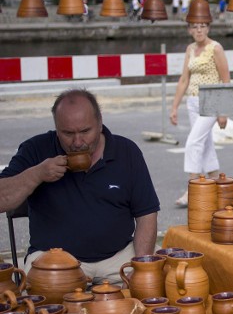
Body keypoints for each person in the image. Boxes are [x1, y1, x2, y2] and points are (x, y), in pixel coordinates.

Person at [0, 89, 160, 285]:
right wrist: (37, 174)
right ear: (56, 128)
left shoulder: (126, 151)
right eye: (67, 133)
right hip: (54, 262)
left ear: (100, 123)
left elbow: (147, 214)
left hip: (118, 257)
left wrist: (140, 265)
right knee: (46, 309)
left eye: (85, 132)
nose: (77, 142)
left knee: (150, 292)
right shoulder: (36, 149)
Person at [170, 21, 231, 207]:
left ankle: (192, 189)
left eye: (203, 26)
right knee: (204, 144)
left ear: (208, 28)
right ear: (189, 30)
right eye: (195, 26)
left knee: (194, 142)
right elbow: (183, 80)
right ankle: (216, 181)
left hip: (211, 102)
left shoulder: (216, 48)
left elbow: (225, 80)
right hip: (193, 103)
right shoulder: (190, 49)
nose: (199, 30)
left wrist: (223, 111)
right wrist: (174, 107)